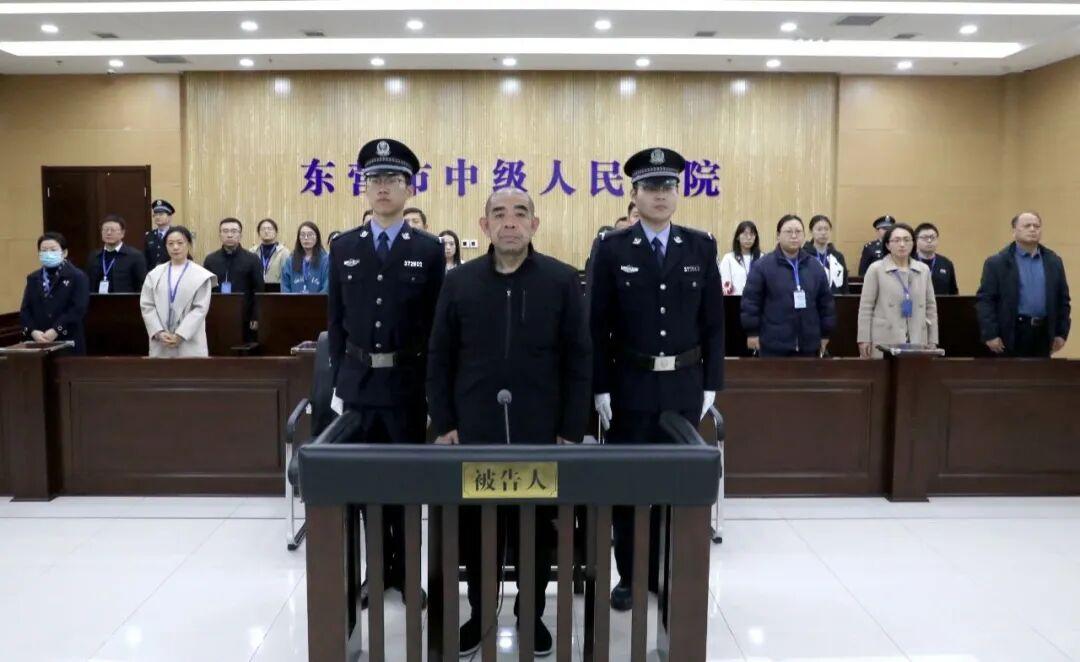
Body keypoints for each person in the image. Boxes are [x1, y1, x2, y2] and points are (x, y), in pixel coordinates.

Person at [428, 187, 590, 657]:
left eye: (520, 213)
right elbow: (439, 355)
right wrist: (444, 421)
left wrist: (571, 429)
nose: (510, 222)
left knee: (535, 529)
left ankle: (530, 615)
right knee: (477, 528)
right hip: (474, 428)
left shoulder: (561, 280)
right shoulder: (459, 282)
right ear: (485, 226)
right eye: (499, 214)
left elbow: (579, 359)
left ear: (534, 224)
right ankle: (479, 614)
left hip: (540, 430)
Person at [589, 147, 725, 611]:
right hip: (630, 385)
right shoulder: (612, 248)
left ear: (678, 193)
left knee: (675, 488)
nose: (660, 195)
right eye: (650, 187)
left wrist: (711, 383)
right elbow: (596, 325)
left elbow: (714, 322)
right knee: (629, 488)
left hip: (684, 385)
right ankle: (630, 576)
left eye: (668, 186)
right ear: (635, 194)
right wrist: (600, 386)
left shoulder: (700, 246)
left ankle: (668, 572)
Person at [328, 138, 444, 607]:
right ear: (365, 187)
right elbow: (336, 320)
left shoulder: (428, 249)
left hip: (406, 386)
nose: (382, 187)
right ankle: (374, 574)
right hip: (358, 386)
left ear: (409, 188)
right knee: (364, 487)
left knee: (405, 484)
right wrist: (338, 382)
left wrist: (433, 390)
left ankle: (406, 574)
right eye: (374, 179)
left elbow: (437, 327)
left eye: (393, 179)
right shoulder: (344, 247)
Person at [976, 211, 1071, 357]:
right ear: (1014, 231)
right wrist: (990, 334)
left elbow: (1063, 300)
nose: (1033, 229)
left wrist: (1061, 333)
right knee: (1012, 372)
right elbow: (985, 301)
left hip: (1043, 333)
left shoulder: (1053, 261)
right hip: (1012, 333)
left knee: (1041, 372)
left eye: (1036, 226)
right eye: (1027, 226)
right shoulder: (997, 263)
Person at [741, 214, 836, 357]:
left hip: (809, 345)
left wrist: (825, 334)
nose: (794, 236)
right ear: (778, 236)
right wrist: (752, 332)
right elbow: (751, 302)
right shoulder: (763, 266)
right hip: (773, 345)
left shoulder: (815, 266)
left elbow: (826, 303)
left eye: (798, 232)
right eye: (788, 231)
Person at [857, 223, 938, 358]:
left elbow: (931, 307)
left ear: (913, 243)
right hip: (885, 337)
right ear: (888, 245)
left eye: (906, 240)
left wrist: (933, 339)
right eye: (897, 240)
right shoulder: (876, 269)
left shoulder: (923, 270)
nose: (902, 244)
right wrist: (863, 338)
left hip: (917, 336)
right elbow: (866, 307)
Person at [140, 226, 216, 358]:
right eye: (170, 244)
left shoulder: (201, 275)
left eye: (180, 243)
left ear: (189, 244)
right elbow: (147, 305)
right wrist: (158, 332)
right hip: (161, 340)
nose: (175, 247)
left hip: (190, 340)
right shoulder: (154, 274)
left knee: (189, 371)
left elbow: (200, 309)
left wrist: (181, 334)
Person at [20, 232, 90, 355]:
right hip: (39, 341)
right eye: (44, 250)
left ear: (64, 252)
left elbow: (78, 308)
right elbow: (25, 309)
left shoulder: (77, 276)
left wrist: (56, 330)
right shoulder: (33, 278)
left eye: (53, 250)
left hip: (68, 340)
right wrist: (33, 331)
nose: (48, 253)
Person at [203, 218, 264, 342]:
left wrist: (256, 316)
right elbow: (205, 291)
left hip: (245, 318)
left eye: (234, 231)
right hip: (217, 317)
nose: (229, 235)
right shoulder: (210, 260)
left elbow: (259, 291)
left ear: (240, 235)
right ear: (220, 234)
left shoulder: (252, 259)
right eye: (225, 231)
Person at [85, 214, 147, 294]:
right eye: (105, 230)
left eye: (113, 230)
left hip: (124, 300)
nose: (108, 233)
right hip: (97, 300)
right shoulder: (94, 256)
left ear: (122, 233)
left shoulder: (135, 256)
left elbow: (142, 286)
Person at [804, 214, 849, 294]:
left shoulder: (838, 256)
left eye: (826, 229)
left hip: (835, 299)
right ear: (811, 231)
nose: (823, 233)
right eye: (819, 229)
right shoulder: (804, 255)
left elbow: (845, 285)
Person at [281, 222, 329, 293]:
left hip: (319, 300)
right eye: (302, 235)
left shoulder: (326, 260)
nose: (306, 238)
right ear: (299, 238)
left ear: (317, 237)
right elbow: (285, 287)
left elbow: (327, 287)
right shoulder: (290, 261)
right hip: (293, 300)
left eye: (310, 234)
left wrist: (317, 300)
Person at [913, 222, 959, 295]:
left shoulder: (946, 263)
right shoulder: (909, 261)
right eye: (925, 237)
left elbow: (953, 292)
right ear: (916, 240)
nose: (929, 241)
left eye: (932, 237)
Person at [718, 220, 762, 295]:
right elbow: (725, 285)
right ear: (737, 237)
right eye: (745, 234)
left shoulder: (762, 258)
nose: (748, 238)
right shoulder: (729, 258)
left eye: (752, 234)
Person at [251, 218, 290, 286]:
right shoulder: (252, 252)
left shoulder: (284, 252)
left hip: (277, 290)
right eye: (263, 229)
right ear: (259, 233)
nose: (266, 231)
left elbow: (287, 276)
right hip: (256, 289)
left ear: (276, 232)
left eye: (270, 229)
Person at [143, 199, 175, 269]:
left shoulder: (175, 234)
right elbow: (145, 259)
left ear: (169, 217)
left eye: (161, 214)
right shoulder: (149, 236)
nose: (157, 217)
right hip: (152, 273)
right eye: (155, 214)